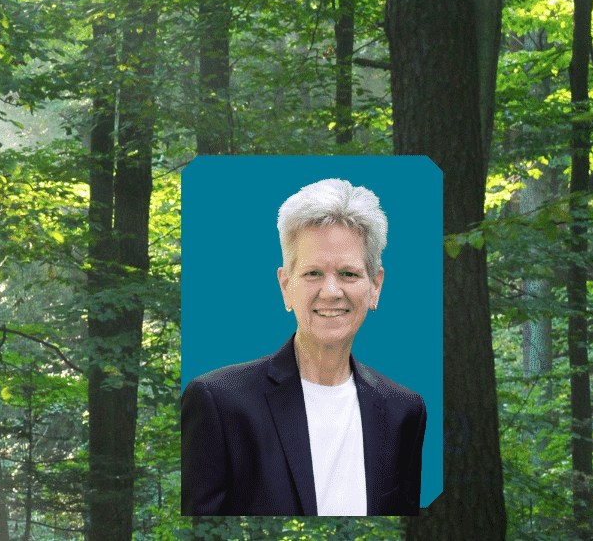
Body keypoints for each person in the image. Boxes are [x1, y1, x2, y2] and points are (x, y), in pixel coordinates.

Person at [180, 178, 426, 516]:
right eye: (312, 273)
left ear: (375, 287)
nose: (331, 291)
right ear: (285, 287)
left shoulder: (405, 411)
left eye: (349, 274)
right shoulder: (219, 403)